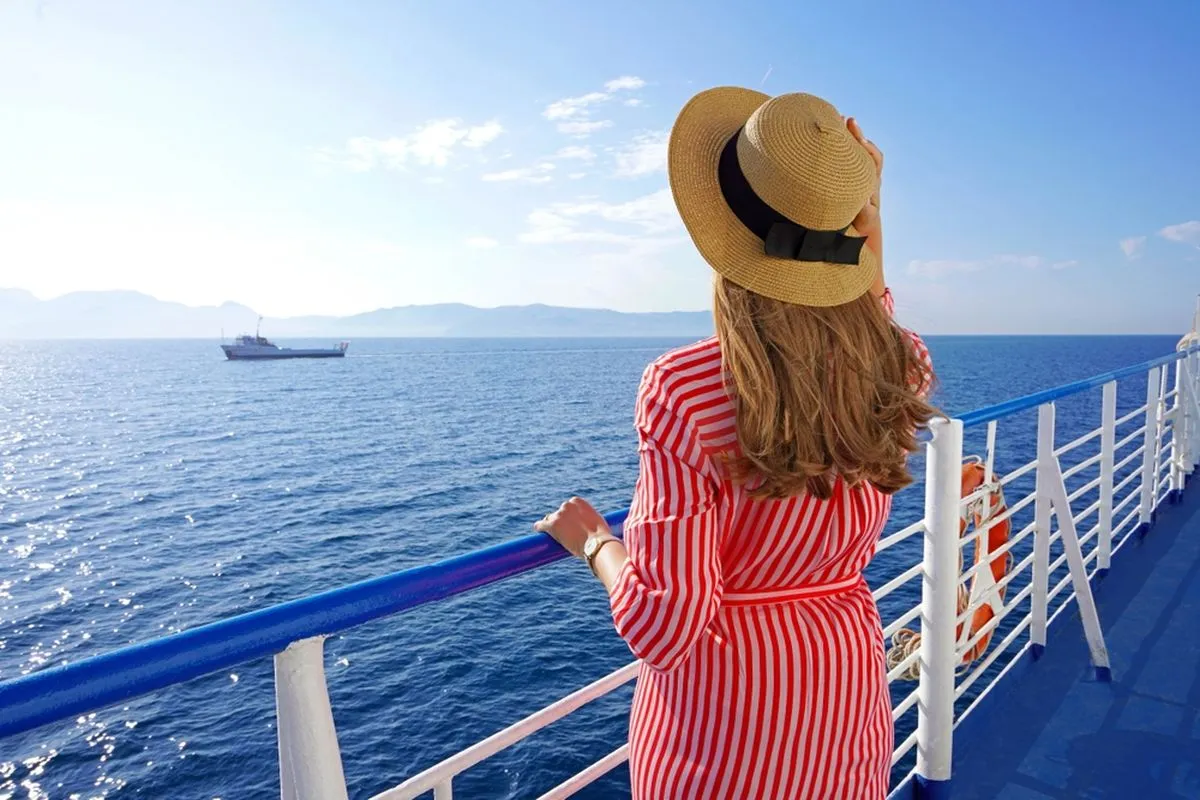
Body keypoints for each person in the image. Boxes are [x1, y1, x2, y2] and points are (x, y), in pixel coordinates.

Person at [534, 87, 937, 800]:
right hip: (842, 705)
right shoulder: (901, 365)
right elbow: (868, 313)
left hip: (719, 744)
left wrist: (598, 543)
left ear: (717, 229)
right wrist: (866, 223)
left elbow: (664, 625)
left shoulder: (684, 389)